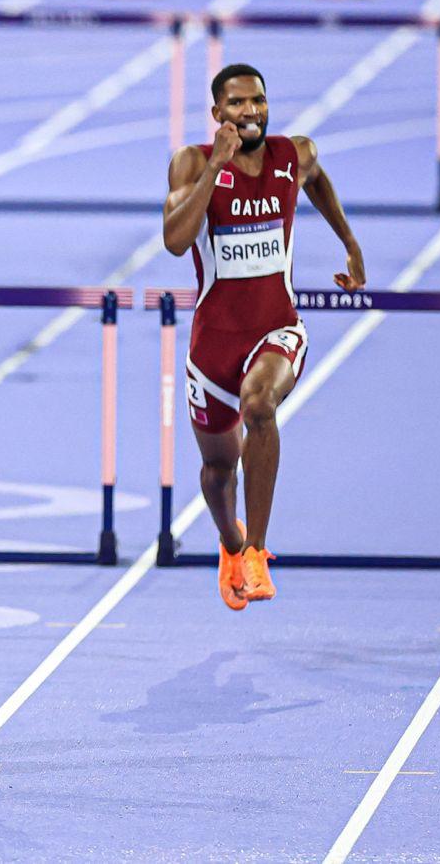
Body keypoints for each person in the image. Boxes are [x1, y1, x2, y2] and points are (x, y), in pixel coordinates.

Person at [163, 64, 364, 610]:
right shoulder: (192, 162)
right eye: (236, 104)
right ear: (217, 114)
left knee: (260, 406)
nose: (249, 112)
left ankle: (256, 550)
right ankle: (231, 544)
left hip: (277, 327)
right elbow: (176, 242)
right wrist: (216, 170)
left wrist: (348, 241)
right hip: (212, 349)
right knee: (216, 471)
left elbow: (316, 178)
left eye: (258, 102)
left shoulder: (292, 155)